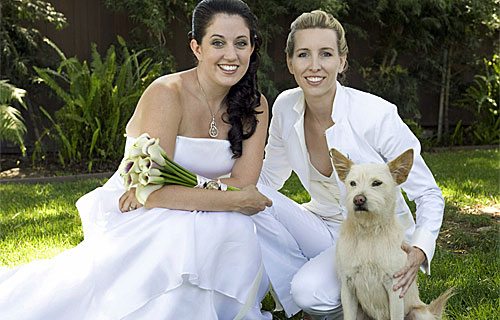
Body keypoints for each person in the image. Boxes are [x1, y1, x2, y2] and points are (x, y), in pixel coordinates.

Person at [0, 0, 274, 319]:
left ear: (252, 48)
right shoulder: (167, 93)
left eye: (241, 43)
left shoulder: (255, 104)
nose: (231, 55)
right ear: (196, 47)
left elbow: (245, 184)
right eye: (218, 42)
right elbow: (153, 193)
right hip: (139, 206)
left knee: (227, 226)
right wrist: (233, 201)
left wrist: (220, 197)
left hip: (183, 203)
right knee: (187, 229)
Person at [252, 10, 445, 320]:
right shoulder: (286, 106)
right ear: (290, 63)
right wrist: (214, 186)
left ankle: (324, 293)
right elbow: (267, 180)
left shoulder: (375, 115)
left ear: (341, 61)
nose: (314, 65)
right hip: (324, 225)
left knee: (309, 293)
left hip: (376, 239)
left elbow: (429, 194)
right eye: (303, 54)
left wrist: (420, 247)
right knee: (249, 193)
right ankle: (315, 279)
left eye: (325, 54)